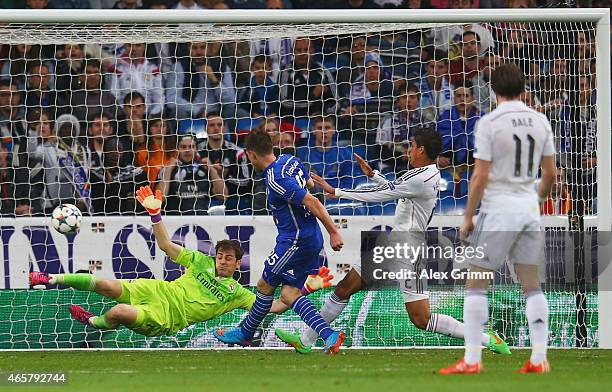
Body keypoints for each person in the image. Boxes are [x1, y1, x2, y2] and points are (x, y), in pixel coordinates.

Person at [276, 129, 509, 356]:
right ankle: (307, 339)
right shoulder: (424, 174)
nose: (408, 151)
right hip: (392, 245)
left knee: (421, 319)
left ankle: (488, 339)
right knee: (344, 288)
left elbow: (385, 194)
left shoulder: (422, 177)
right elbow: (395, 188)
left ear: (421, 149)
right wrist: (373, 175)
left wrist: (335, 191)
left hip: (408, 251)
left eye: (411, 146)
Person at [29, 185, 334, 337]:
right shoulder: (200, 262)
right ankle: (50, 279)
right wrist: (154, 213)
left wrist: (309, 286)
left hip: (169, 318)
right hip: (160, 290)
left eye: (229, 258)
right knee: (106, 284)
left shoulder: (238, 294)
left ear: (238, 264)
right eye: (220, 256)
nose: (222, 261)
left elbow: (276, 305)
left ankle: (94, 323)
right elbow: (163, 244)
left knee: (119, 311)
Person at [439, 63, 556, 374]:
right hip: (529, 209)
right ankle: (539, 358)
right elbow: (551, 174)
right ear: (523, 88)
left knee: (476, 283)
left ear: (493, 90)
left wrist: (468, 217)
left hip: (499, 209)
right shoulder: (540, 120)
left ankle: (473, 359)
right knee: (531, 284)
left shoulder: (490, 122)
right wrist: (536, 200)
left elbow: (479, 176)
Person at [213, 128, 346, 354]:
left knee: (265, 285)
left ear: (251, 155)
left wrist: (334, 231)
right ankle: (329, 335)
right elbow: (310, 184)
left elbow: (311, 200)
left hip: (295, 240)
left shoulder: (276, 178)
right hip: (309, 236)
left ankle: (245, 333)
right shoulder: (289, 160)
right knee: (289, 294)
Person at [157, 134, 227, 215]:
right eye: (183, 147)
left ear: (196, 149)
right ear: (177, 150)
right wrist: (168, 170)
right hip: (176, 222)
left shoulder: (205, 168)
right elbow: (160, 199)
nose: (188, 150)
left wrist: (211, 169)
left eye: (191, 147)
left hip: (202, 220)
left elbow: (223, 196)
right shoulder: (168, 169)